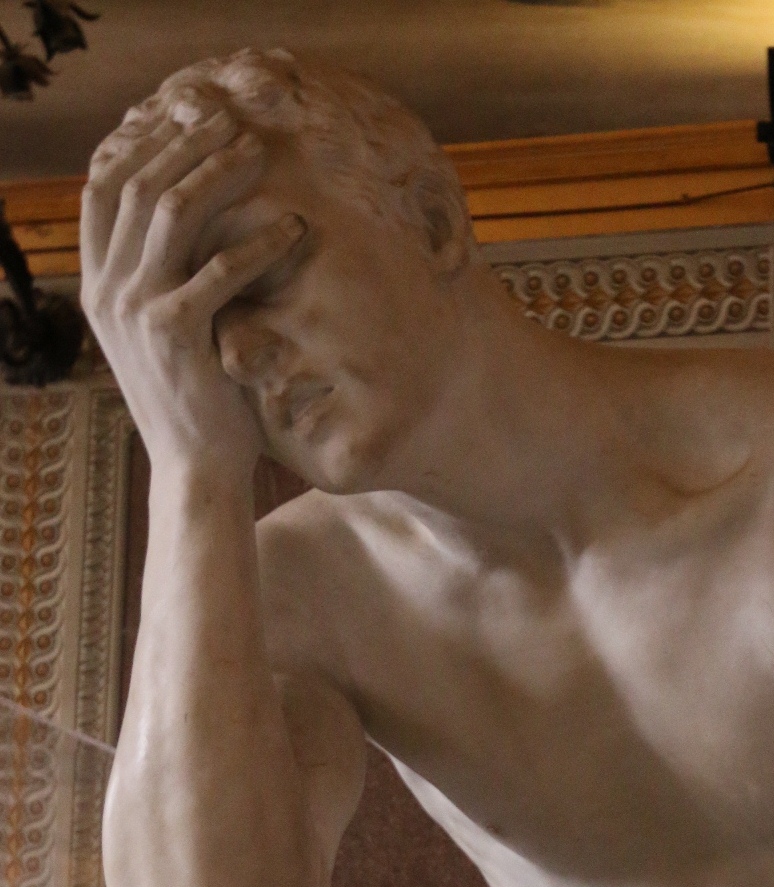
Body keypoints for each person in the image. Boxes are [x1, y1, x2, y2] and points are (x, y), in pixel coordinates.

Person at [81, 48, 774, 887]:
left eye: (259, 275)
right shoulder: (301, 594)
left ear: (433, 221)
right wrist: (191, 467)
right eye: (190, 337)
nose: (237, 355)